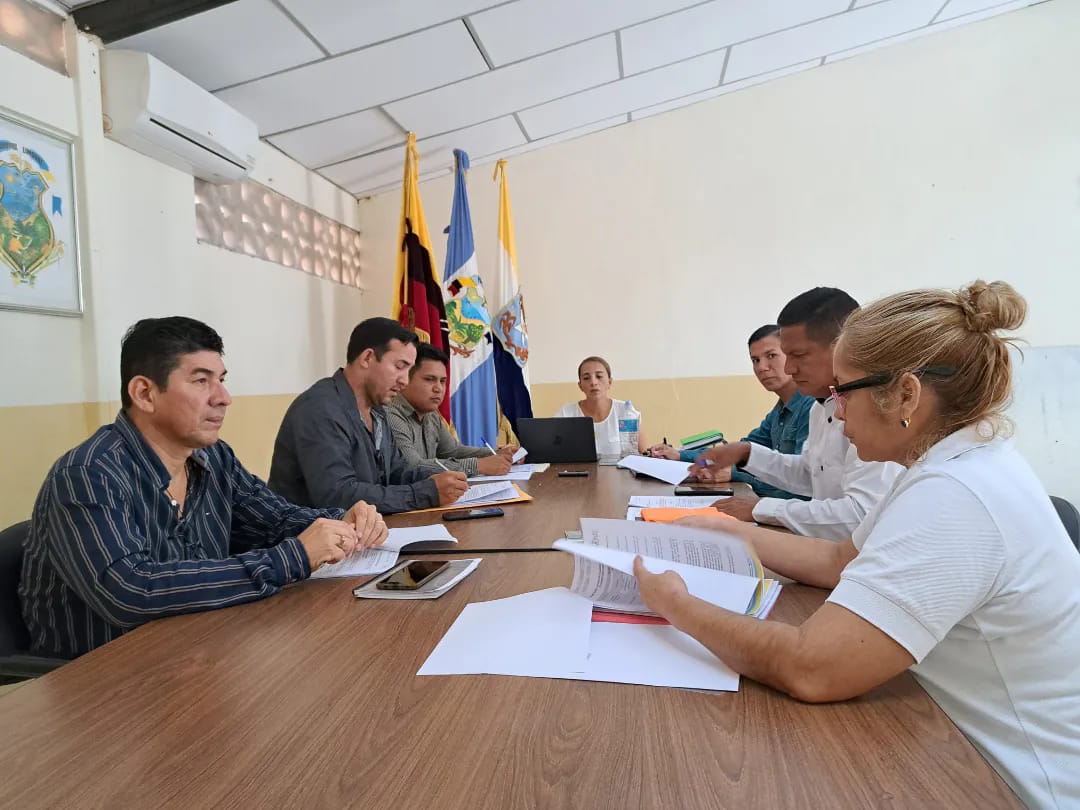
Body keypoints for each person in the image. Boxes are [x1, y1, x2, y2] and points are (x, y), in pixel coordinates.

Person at [633, 281, 1080, 808]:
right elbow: (839, 559)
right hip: (956, 741)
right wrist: (732, 531)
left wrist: (675, 604)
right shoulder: (951, 463)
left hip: (1018, 784)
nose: (836, 411)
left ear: (906, 395)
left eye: (844, 391)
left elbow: (811, 668)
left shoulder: (954, 494)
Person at [19, 317, 388, 659]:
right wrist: (291, 558)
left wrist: (341, 522)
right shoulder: (88, 474)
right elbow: (130, 592)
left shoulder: (214, 457)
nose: (223, 397)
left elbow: (273, 519)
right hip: (104, 680)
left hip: (200, 653)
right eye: (201, 381)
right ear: (145, 393)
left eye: (221, 379)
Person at [693, 289, 901, 538]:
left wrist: (762, 509)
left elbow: (860, 515)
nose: (789, 368)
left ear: (842, 348)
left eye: (798, 356)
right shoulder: (820, 407)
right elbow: (813, 474)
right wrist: (746, 453)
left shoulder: (876, 411)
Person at [269, 318, 468, 514]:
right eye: (400, 366)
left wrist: (444, 479)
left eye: (409, 370)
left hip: (365, 529)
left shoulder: (376, 410)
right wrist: (427, 493)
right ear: (367, 358)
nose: (405, 381)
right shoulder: (320, 408)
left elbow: (397, 472)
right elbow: (338, 496)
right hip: (311, 532)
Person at [646, 325, 814, 500]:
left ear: (792, 356)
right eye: (755, 360)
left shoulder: (811, 408)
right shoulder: (778, 413)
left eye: (771, 356)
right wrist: (679, 455)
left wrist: (735, 474)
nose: (762, 367)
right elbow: (732, 454)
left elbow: (802, 486)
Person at [387, 343, 518, 476]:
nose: (438, 388)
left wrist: (497, 453)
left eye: (442, 381)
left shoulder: (431, 414)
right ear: (404, 379)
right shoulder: (391, 414)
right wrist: (478, 465)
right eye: (429, 379)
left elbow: (453, 451)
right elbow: (412, 466)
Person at [555, 356, 645, 457]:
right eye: (586, 378)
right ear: (580, 386)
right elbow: (554, 453)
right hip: (578, 468)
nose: (593, 382)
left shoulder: (626, 411)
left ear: (609, 382)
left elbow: (645, 453)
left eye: (599, 376)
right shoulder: (566, 413)